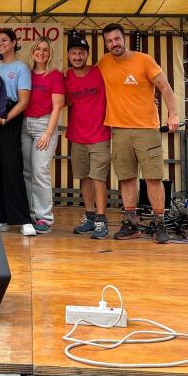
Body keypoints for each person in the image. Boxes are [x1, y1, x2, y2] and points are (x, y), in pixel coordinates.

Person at [98, 23, 180, 244]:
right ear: (105, 44)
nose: (114, 44)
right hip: (119, 130)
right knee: (126, 179)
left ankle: (160, 223)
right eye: (109, 41)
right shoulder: (103, 63)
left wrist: (172, 114)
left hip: (146, 129)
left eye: (117, 39)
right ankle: (131, 224)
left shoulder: (144, 60)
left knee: (153, 178)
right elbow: (87, 79)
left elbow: (165, 87)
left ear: (124, 38)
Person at [0, 28, 36, 236]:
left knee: (11, 167)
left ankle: (22, 219)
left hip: (9, 117)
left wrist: (5, 119)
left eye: (4, 40)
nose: (1, 43)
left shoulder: (21, 68)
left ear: (13, 43)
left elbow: (24, 101)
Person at [64, 34, 111, 239]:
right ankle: (90, 216)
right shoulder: (66, 77)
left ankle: (101, 219)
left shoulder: (100, 72)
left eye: (81, 53)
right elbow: (61, 101)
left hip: (100, 135)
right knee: (83, 177)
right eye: (73, 53)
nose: (77, 56)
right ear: (68, 55)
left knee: (98, 178)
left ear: (88, 55)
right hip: (77, 136)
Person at [21, 38, 65, 234]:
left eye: (45, 50)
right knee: (27, 172)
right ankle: (31, 215)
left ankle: (44, 218)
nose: (41, 52)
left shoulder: (55, 75)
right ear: (33, 52)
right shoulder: (26, 73)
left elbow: (57, 107)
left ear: (50, 53)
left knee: (40, 171)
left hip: (43, 125)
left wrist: (47, 133)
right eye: (38, 49)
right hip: (24, 125)